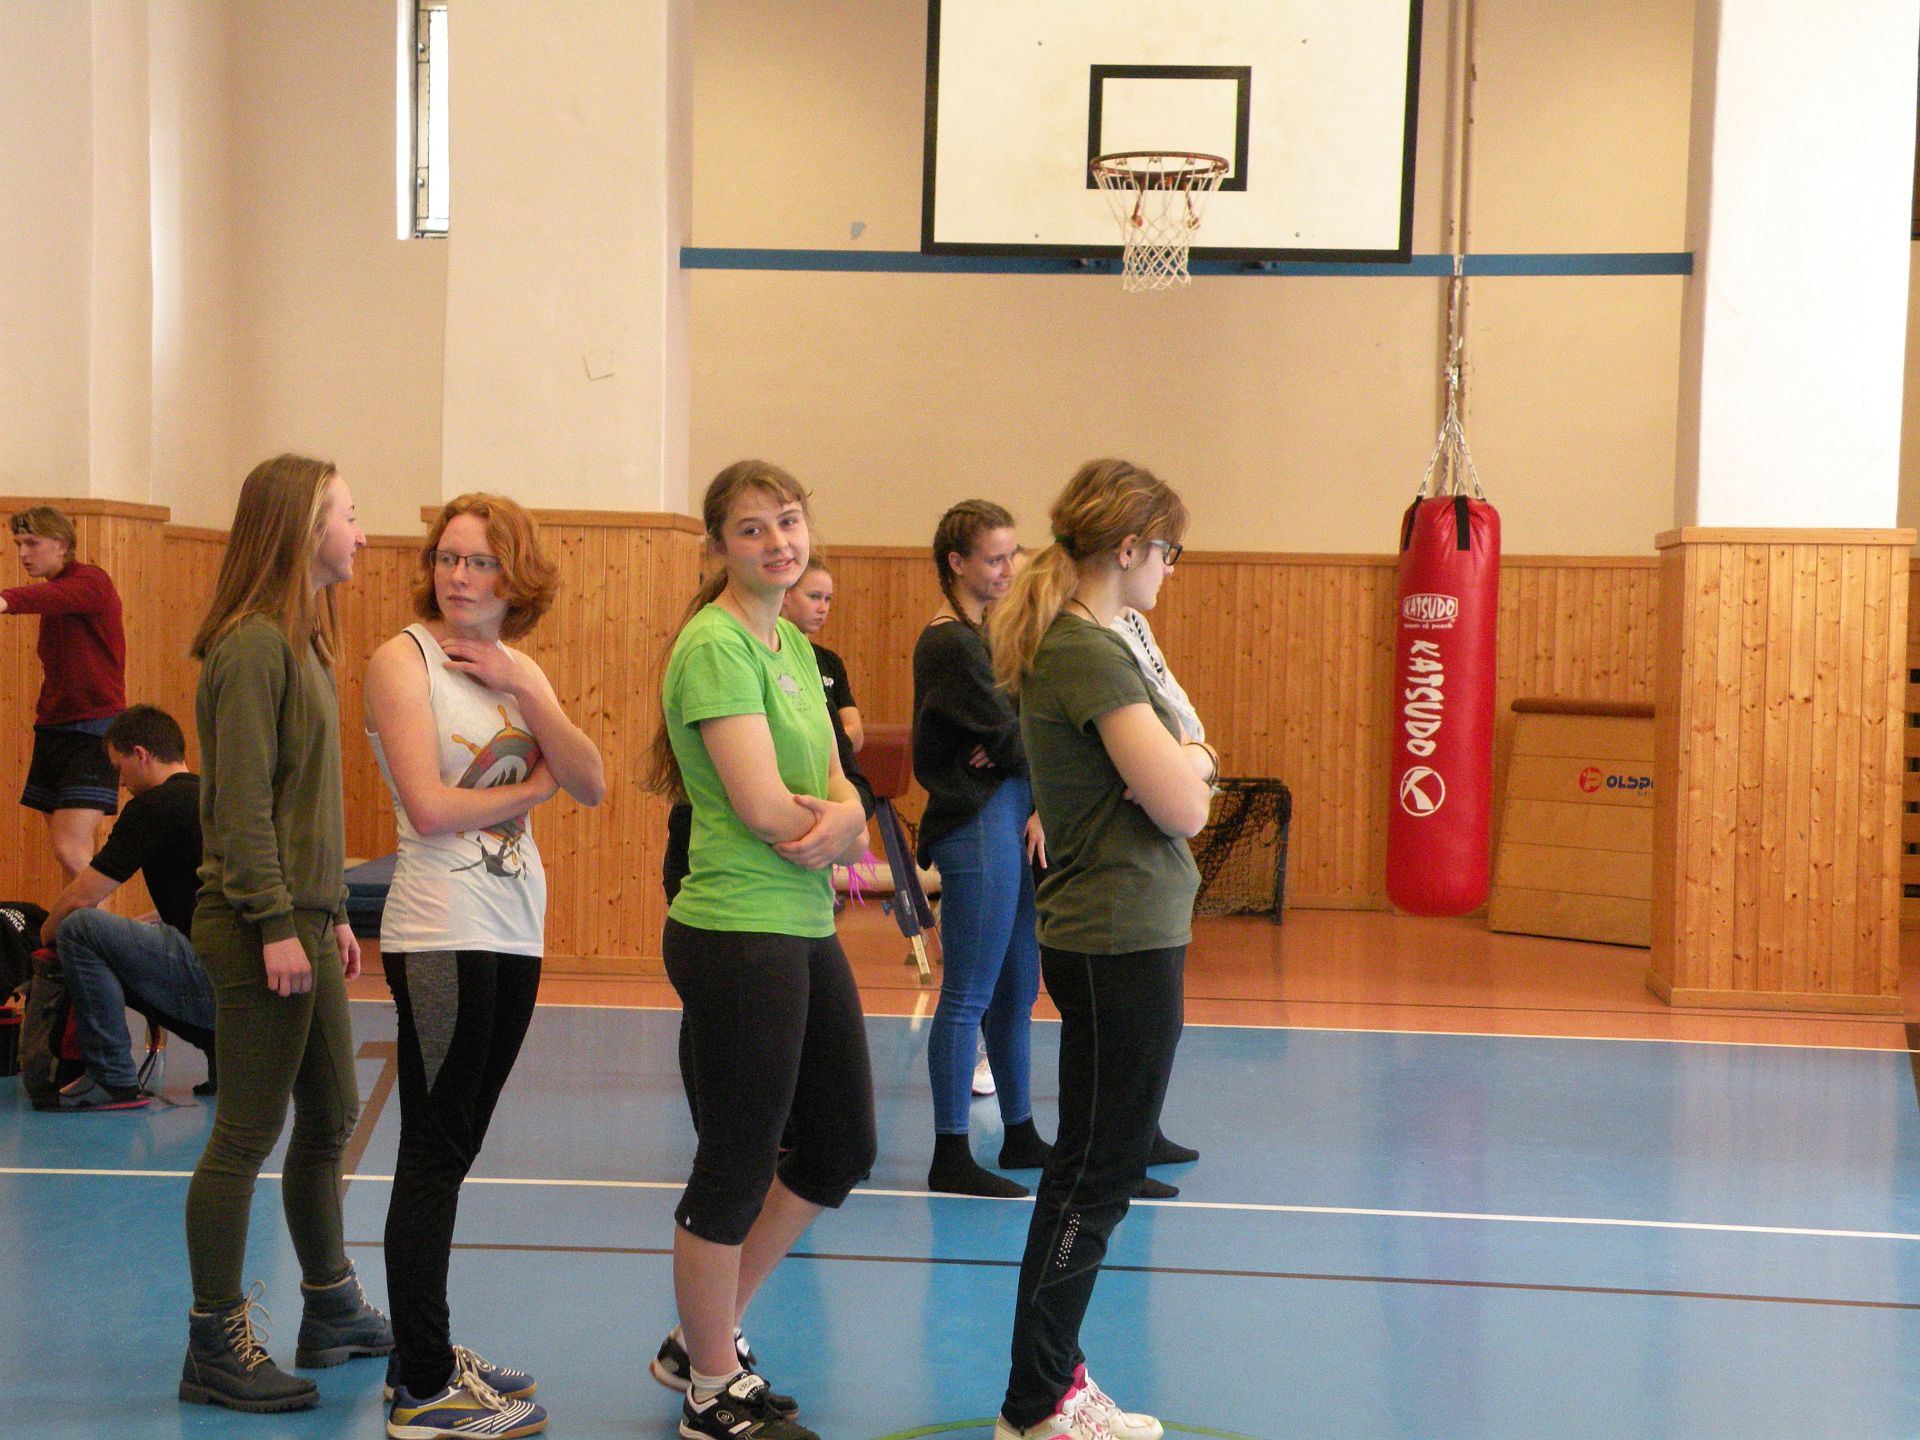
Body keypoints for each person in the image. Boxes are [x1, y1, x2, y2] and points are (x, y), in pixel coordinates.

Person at [987, 458, 1217, 1440]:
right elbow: (1186, 804)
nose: (1169, 568)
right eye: (1167, 550)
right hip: (1114, 937)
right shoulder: (1087, 652)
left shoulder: (1098, 644)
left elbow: (1187, 771)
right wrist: (1191, 764)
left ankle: (1055, 1382)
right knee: (1093, 1176)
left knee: (1098, 1169)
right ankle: (1037, 1399)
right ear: (1130, 547)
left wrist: (1189, 760)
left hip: (1129, 932)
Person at [646, 460, 876, 1440]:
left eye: (788, 521)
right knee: (737, 1164)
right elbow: (762, 806)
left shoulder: (791, 643)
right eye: (752, 529)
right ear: (719, 548)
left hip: (802, 924)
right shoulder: (715, 646)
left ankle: (699, 1336)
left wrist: (848, 818)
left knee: (840, 1144)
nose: (778, 542)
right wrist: (840, 829)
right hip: (738, 931)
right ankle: (711, 1387)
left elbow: (838, 781)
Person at [365, 494, 604, 1439]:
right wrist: (536, 784)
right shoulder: (403, 660)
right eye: (447, 558)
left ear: (516, 577)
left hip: (512, 930)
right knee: (433, 1150)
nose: (458, 577)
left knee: (456, 1147)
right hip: (440, 930)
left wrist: (527, 691)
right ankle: (424, 1387)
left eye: (480, 562)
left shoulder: (517, 670)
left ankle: (420, 1350)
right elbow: (428, 809)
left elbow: (592, 779)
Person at [178, 454, 393, 1415]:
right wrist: (274, 921)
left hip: (304, 918)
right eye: (348, 514)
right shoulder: (253, 646)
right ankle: (214, 1343)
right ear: (304, 527)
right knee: (245, 1134)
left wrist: (329, 912)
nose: (362, 533)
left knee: (333, 1114)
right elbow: (241, 809)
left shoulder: (305, 643)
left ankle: (331, 1304)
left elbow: (303, 806)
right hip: (255, 924)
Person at [913, 500, 1051, 1198]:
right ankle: (950, 1151)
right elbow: (1014, 736)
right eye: (994, 558)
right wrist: (1018, 744)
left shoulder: (991, 634)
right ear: (956, 563)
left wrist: (1018, 744)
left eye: (1011, 554)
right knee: (968, 991)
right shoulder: (950, 644)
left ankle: (1020, 1131)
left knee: (1018, 987)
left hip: (1009, 816)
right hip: (976, 824)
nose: (1008, 569)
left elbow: (1022, 727)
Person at [39, 704, 216, 1110]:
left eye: (119, 768)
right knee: (125, 938)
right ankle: (221, 1048)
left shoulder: (155, 806)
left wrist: (46, 933)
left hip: (209, 980)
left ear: (141, 755)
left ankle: (112, 1076)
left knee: (79, 928)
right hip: (241, 986)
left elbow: (82, 896)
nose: (120, 783)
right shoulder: (214, 797)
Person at [3, 506, 127, 883]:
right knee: (69, 853)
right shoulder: (56, 596)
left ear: (60, 544)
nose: (23, 554)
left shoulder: (91, 582)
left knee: (70, 849)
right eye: (18, 544)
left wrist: (6, 601)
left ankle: (101, 924)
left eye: (32, 543)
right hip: (54, 729)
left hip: (93, 730)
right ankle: (77, 922)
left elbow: (57, 596)